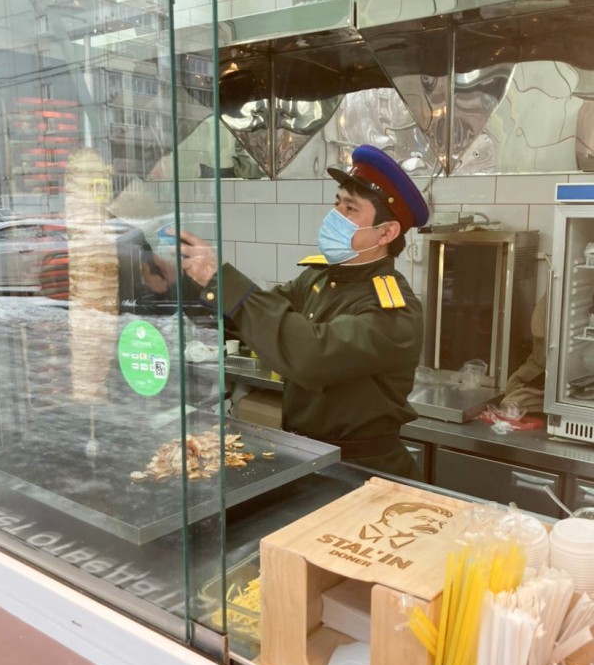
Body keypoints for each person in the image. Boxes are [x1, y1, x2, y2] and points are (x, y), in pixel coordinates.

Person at [179, 144, 429, 481]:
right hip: (307, 459)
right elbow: (252, 319)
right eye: (337, 203)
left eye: (350, 208)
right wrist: (186, 285)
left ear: (386, 232)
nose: (335, 214)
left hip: (364, 473)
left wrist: (224, 282)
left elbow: (311, 355)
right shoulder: (317, 278)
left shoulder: (394, 310)